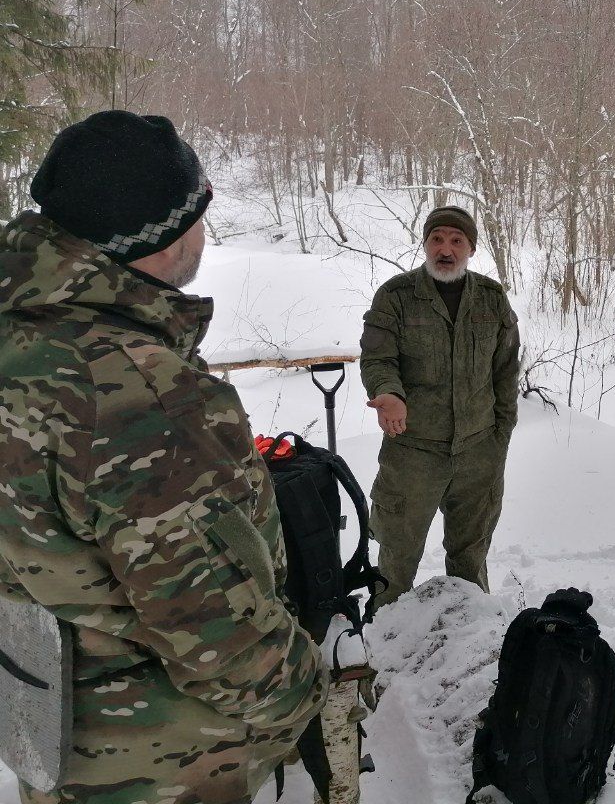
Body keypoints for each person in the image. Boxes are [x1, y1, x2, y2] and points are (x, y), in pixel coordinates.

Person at [0, 111, 325, 804]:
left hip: (47, 736)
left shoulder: (20, 338)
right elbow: (225, 640)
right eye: (198, 214)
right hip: (159, 767)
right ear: (163, 236)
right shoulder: (134, 394)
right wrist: (305, 691)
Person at [360, 205, 519, 609]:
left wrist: (501, 434)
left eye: (456, 241)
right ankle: (380, 647)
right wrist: (389, 393)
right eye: (437, 239)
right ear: (425, 243)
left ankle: (469, 646)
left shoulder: (491, 299)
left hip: (479, 450)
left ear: (470, 248)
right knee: (396, 559)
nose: (445, 249)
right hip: (413, 450)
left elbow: (506, 370)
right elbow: (379, 358)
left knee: (470, 560)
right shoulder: (396, 297)